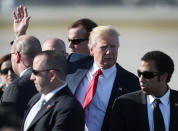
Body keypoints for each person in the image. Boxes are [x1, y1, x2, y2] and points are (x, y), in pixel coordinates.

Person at [67, 25, 140, 131]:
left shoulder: (131, 82)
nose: (109, 51)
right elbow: (45, 63)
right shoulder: (74, 63)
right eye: (104, 47)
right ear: (91, 50)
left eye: (113, 46)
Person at [111, 50, 178, 131]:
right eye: (139, 73)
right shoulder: (124, 104)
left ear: (163, 76)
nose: (141, 79)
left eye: (147, 75)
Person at [23, 50, 84, 131]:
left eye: (35, 72)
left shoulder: (69, 107)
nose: (31, 77)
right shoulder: (35, 99)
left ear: (52, 75)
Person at [1, 35, 42, 118]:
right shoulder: (50, 79)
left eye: (12, 54)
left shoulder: (16, 87)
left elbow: (7, 124)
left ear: (17, 56)